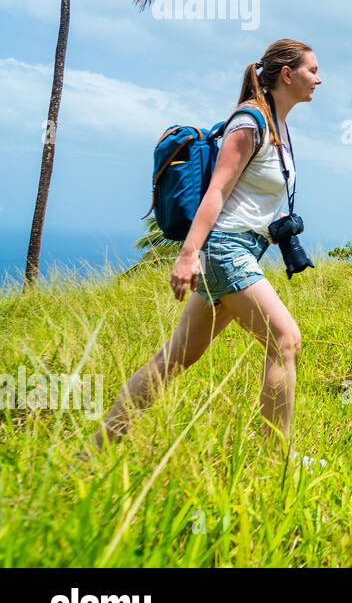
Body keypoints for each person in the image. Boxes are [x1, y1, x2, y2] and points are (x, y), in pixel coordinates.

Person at [86, 39, 320, 458]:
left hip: (241, 250)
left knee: (174, 359)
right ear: (287, 74)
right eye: (312, 71)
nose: (318, 79)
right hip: (225, 250)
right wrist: (188, 254)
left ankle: (94, 451)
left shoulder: (278, 126)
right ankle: (275, 462)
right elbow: (215, 192)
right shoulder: (249, 123)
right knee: (285, 340)